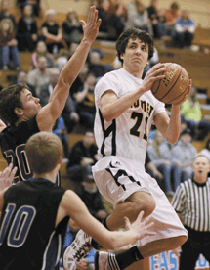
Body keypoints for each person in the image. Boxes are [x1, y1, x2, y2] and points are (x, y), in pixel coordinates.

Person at [65, 27, 190, 270]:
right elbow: (108, 111)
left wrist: (175, 104)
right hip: (113, 162)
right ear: (122, 53)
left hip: (138, 170)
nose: (138, 52)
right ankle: (88, 237)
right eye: (133, 46)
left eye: (144, 49)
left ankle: (117, 260)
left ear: (148, 57)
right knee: (145, 204)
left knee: (177, 235)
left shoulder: (155, 96)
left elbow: (172, 136)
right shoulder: (112, 79)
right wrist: (142, 88)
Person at [0, 131, 156, 269]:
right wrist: (135, 233)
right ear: (60, 161)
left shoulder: (10, 192)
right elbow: (109, 241)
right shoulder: (64, 198)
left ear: (29, 161)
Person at [0, 6, 102, 184]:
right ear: (18, 110)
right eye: (30, 98)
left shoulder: (4, 135)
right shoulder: (39, 122)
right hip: (45, 201)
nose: (37, 99)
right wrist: (86, 41)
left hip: (19, 201)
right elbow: (64, 80)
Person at [171, 155, 210, 270]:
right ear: (193, 168)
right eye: (197, 163)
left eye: (203, 164)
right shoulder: (183, 188)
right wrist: (176, 239)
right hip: (191, 236)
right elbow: (175, 214)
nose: (200, 166)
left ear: (209, 168)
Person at [147, 129, 181, 196]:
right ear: (155, 137)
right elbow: (151, 162)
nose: (160, 138)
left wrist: (175, 161)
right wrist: (163, 161)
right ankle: (168, 190)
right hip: (156, 167)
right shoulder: (150, 147)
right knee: (166, 166)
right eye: (158, 136)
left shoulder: (165, 146)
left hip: (166, 165)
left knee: (176, 166)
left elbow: (170, 158)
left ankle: (178, 190)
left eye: (161, 137)